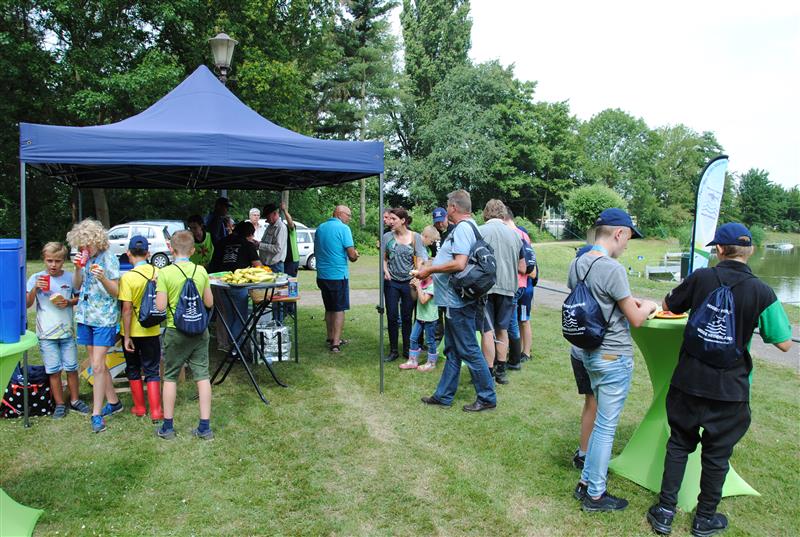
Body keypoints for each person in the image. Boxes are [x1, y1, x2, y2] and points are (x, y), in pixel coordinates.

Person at [646, 223, 793, 537]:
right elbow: (783, 342)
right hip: (730, 391)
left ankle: (665, 512)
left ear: (720, 249)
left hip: (688, 382)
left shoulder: (701, 278)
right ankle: (704, 519)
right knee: (717, 456)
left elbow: (669, 305)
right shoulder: (762, 291)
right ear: (750, 251)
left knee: (678, 444)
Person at [569, 208, 659, 512]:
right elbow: (636, 319)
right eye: (628, 239)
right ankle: (595, 495)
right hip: (613, 355)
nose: (627, 246)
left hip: (590, 353)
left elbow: (596, 300)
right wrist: (649, 305)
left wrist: (628, 302)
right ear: (618, 233)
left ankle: (585, 483)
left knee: (600, 425)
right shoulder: (613, 268)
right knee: (606, 427)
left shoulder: (578, 263)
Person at [414, 189, 497, 412]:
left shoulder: (462, 228)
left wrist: (430, 270)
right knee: (452, 350)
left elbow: (459, 263)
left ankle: (487, 397)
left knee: (469, 349)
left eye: (447, 205)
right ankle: (444, 396)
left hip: (457, 303)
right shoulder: (470, 226)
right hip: (455, 302)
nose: (446, 209)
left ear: (453, 207)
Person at [155, 231, 215, 440]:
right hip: (199, 330)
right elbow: (209, 302)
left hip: (175, 330)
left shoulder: (165, 273)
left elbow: (160, 306)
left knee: (170, 376)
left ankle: (168, 427)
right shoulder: (201, 271)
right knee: (202, 376)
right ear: (192, 250)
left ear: (171, 249)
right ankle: (205, 427)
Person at [66, 218, 123, 433]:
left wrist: (103, 278)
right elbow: (77, 286)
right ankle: (114, 402)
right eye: (80, 246)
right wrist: (77, 269)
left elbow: (116, 292)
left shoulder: (109, 258)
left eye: (86, 245)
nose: (84, 249)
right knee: (96, 363)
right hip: (85, 315)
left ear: (97, 240)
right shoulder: (86, 258)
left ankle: (96, 413)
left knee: (97, 366)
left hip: (104, 318)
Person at [25, 242, 89, 418]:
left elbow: (79, 297)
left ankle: (75, 400)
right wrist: (35, 289)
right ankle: (59, 404)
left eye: (58, 261)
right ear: (44, 259)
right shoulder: (36, 278)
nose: (53, 265)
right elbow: (27, 304)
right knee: (53, 371)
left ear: (63, 261)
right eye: (49, 260)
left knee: (71, 368)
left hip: (67, 332)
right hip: (46, 334)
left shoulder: (69, 278)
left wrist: (68, 302)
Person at [118, 235, 163, 422]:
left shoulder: (127, 277)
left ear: (128, 253)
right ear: (148, 253)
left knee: (133, 367)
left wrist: (127, 336)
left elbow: (126, 309)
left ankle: (139, 407)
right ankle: (156, 411)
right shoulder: (158, 272)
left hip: (132, 332)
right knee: (152, 369)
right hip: (152, 330)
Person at [477, 200, 522, 385]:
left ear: (486, 213)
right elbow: (522, 265)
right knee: (502, 329)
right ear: (503, 213)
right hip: (508, 287)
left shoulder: (479, 231)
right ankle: (501, 370)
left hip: (486, 287)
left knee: (487, 330)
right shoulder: (515, 235)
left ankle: (488, 371)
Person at [382, 207, 428, 362]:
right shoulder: (387, 236)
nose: (390, 222)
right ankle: (393, 350)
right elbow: (384, 258)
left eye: (393, 219)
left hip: (408, 282)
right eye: (389, 218)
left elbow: (420, 257)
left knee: (407, 317)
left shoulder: (415, 237)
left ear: (403, 220)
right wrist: (385, 271)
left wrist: (417, 273)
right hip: (391, 282)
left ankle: (408, 349)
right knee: (392, 316)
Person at [208, 221, 261, 354]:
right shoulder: (248, 245)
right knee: (240, 316)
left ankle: (227, 345)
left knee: (227, 315)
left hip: (218, 283)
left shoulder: (221, 242)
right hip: (238, 285)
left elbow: (213, 264)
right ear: (249, 234)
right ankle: (237, 347)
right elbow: (258, 267)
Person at [314, 205, 359, 353]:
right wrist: (356, 255)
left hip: (322, 275)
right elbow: (351, 255)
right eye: (348, 215)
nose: (349, 219)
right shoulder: (344, 229)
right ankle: (335, 343)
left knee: (329, 307)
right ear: (339, 214)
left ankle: (330, 337)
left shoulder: (320, 228)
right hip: (338, 275)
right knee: (339, 309)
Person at [569, 243, 596, 470]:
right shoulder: (599, 288)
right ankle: (587, 455)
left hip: (577, 351)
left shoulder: (577, 291)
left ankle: (584, 452)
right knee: (597, 404)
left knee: (591, 402)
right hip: (592, 354)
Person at [503, 208, 534, 372]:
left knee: (516, 321)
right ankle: (516, 354)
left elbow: (527, 265)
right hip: (523, 284)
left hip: (517, 284)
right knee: (515, 320)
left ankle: (519, 356)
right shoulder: (524, 235)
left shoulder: (512, 234)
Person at [403, 260, 438, 371]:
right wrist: (413, 287)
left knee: (430, 341)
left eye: (422, 271)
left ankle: (431, 363)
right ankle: (413, 361)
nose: (419, 273)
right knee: (413, 338)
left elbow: (423, 300)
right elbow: (415, 298)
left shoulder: (432, 285)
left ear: (430, 273)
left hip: (430, 318)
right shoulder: (422, 283)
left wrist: (418, 286)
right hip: (420, 317)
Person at [258, 203, 287, 273]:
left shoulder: (281, 227)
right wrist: (257, 243)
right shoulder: (270, 226)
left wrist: (260, 245)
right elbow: (265, 242)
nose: (266, 219)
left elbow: (278, 248)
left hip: (275, 266)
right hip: (267, 264)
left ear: (275, 213)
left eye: (267, 216)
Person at [281, 201, 300, 277]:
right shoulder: (280, 229)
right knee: (283, 281)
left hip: (292, 260)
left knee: (291, 281)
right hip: (284, 260)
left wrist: (285, 211)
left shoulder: (290, 228)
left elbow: (290, 223)